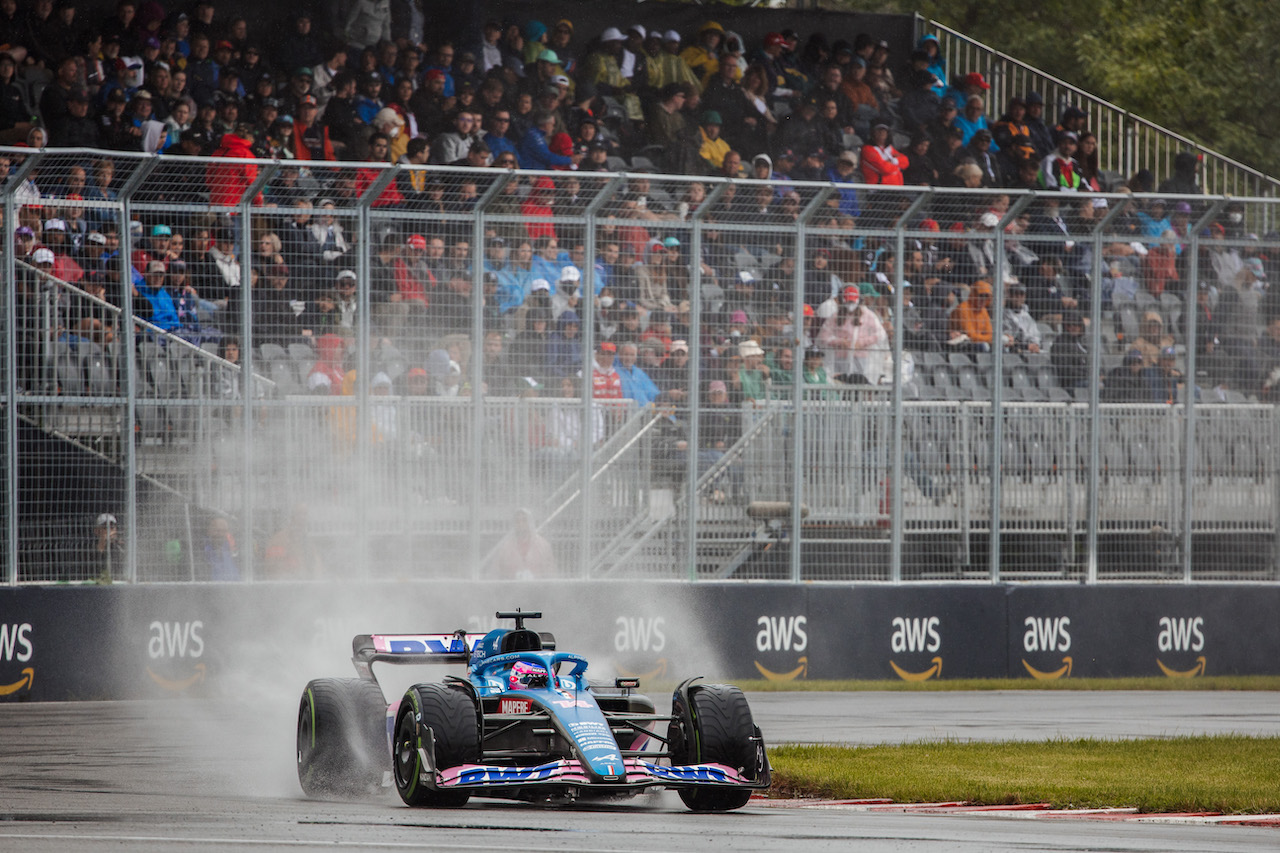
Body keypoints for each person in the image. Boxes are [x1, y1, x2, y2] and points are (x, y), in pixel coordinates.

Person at [489, 508, 556, 580]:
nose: (521, 524)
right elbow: (495, 573)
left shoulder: (543, 545)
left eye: (524, 520)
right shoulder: (505, 547)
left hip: (538, 589)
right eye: (517, 521)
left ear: (530, 522)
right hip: (511, 589)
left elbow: (551, 574)